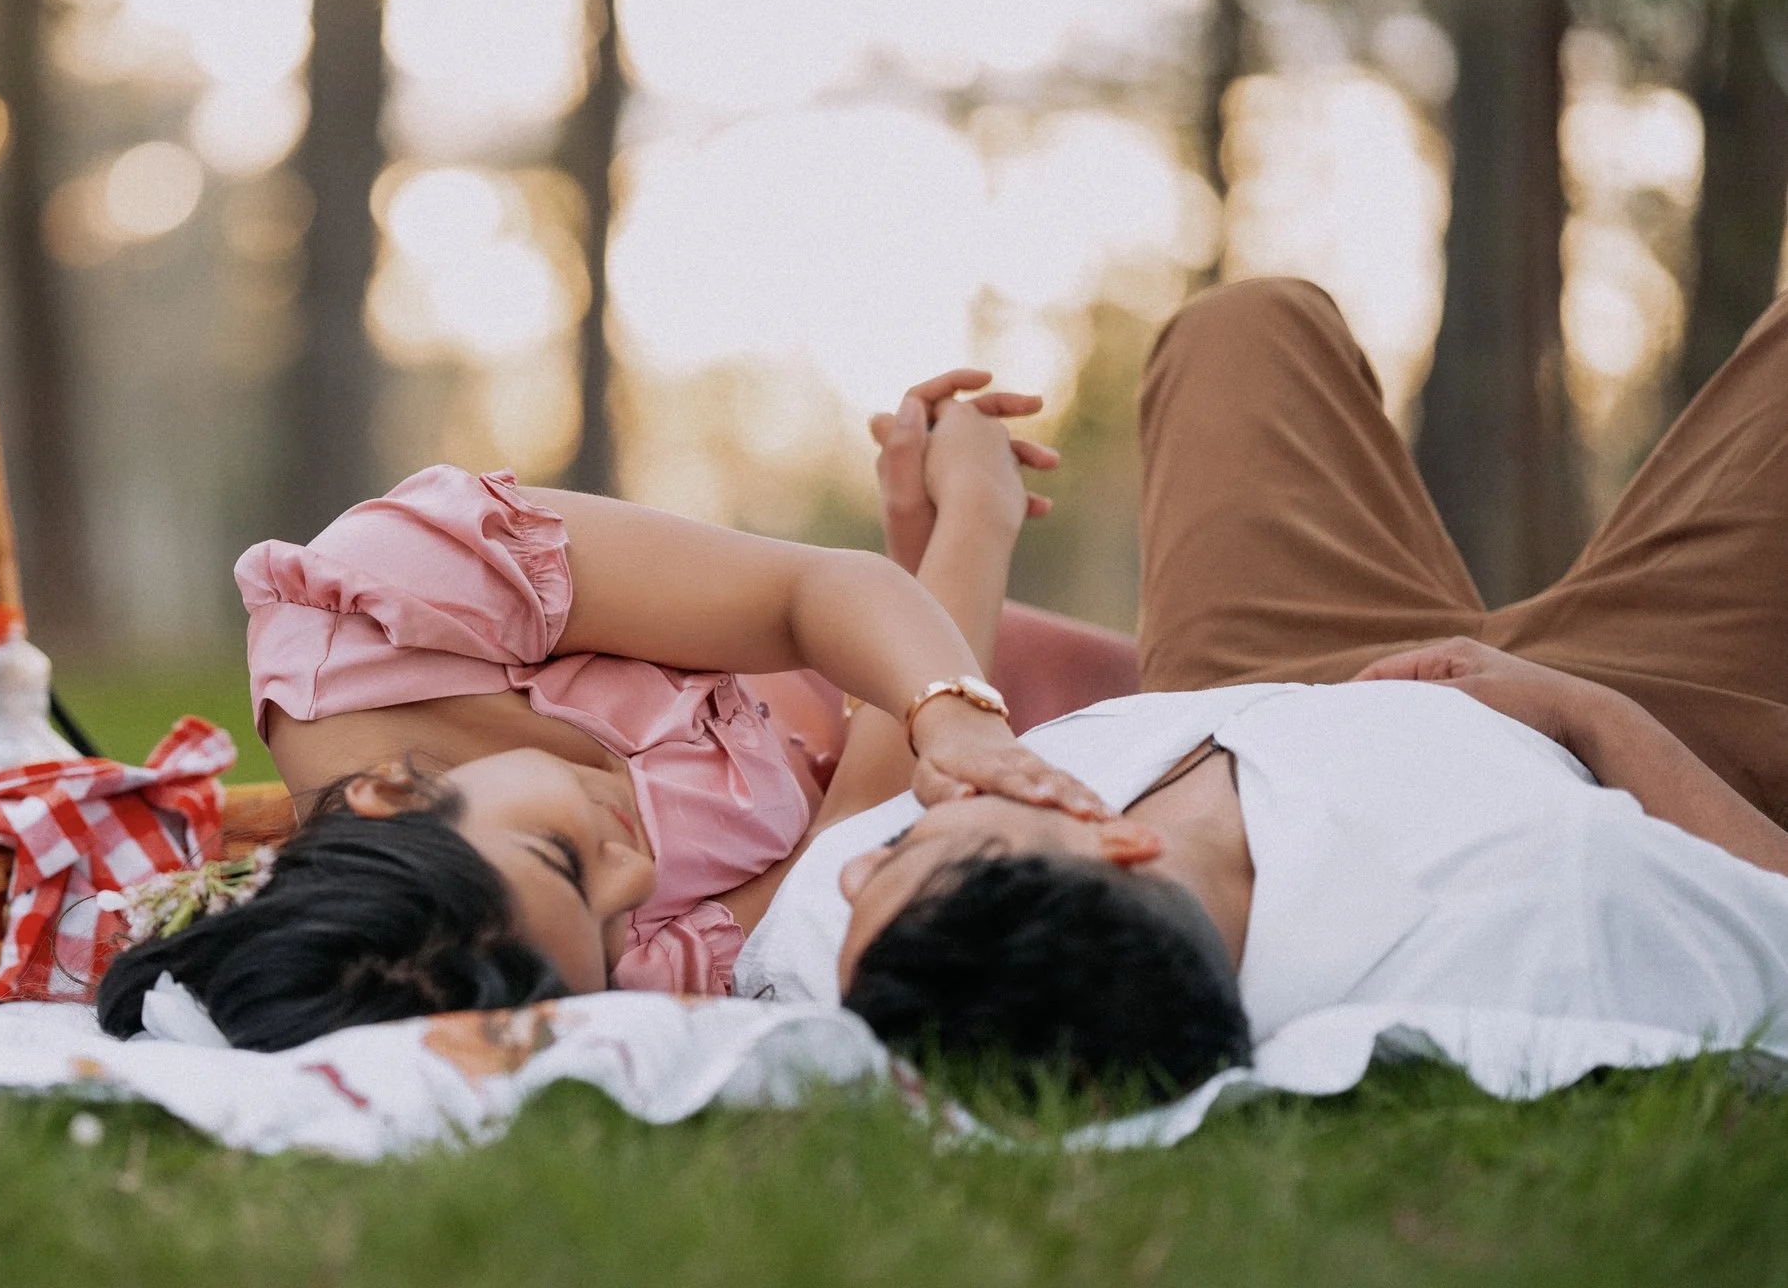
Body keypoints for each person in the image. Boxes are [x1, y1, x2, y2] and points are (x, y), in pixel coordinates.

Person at [732, 277, 1788, 1100]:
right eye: (914, 848)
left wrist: (953, 518)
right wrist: (1583, 713)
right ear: (1116, 840)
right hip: (1599, 715)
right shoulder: (1535, 911)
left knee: (1241, 324)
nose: (859, 866)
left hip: (1251, 677)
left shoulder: (876, 951)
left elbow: (890, 776)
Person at [97, 375, 1132, 1049]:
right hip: (1051, 777)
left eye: (561, 855)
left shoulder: (386, 605)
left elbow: (806, 594)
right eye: (609, 925)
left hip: (975, 683)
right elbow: (863, 829)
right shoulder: (577, 972)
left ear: (387, 794)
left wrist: (949, 698)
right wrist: (967, 528)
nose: (635, 880)